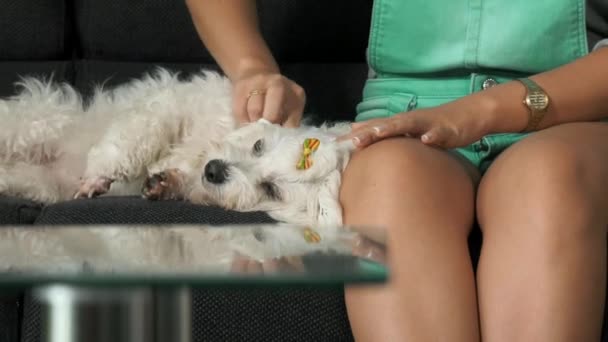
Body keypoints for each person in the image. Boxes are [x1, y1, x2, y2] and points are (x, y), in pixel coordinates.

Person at [186, 0, 608, 340]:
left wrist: (482, 109)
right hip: (403, 115)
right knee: (389, 179)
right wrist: (252, 67)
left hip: (572, 109)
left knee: (548, 178)